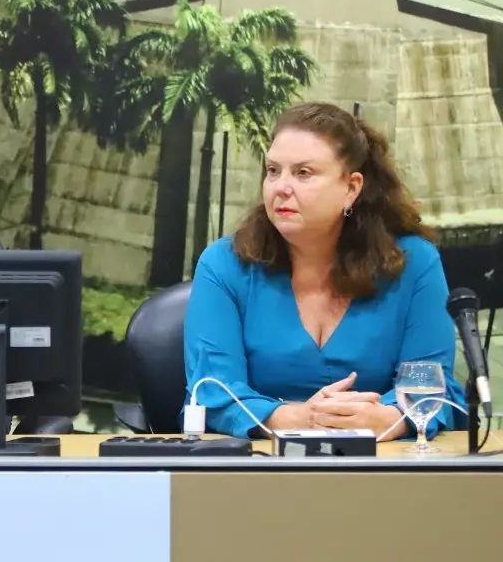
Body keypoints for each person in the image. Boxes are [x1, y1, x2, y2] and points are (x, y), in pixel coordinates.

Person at [184, 102, 464, 440]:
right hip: (261, 462)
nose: (281, 187)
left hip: (382, 460)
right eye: (273, 170)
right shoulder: (223, 264)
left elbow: (433, 387)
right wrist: (296, 419)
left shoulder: (414, 262)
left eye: (303, 173)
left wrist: (386, 418)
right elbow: (213, 392)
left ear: (351, 188)